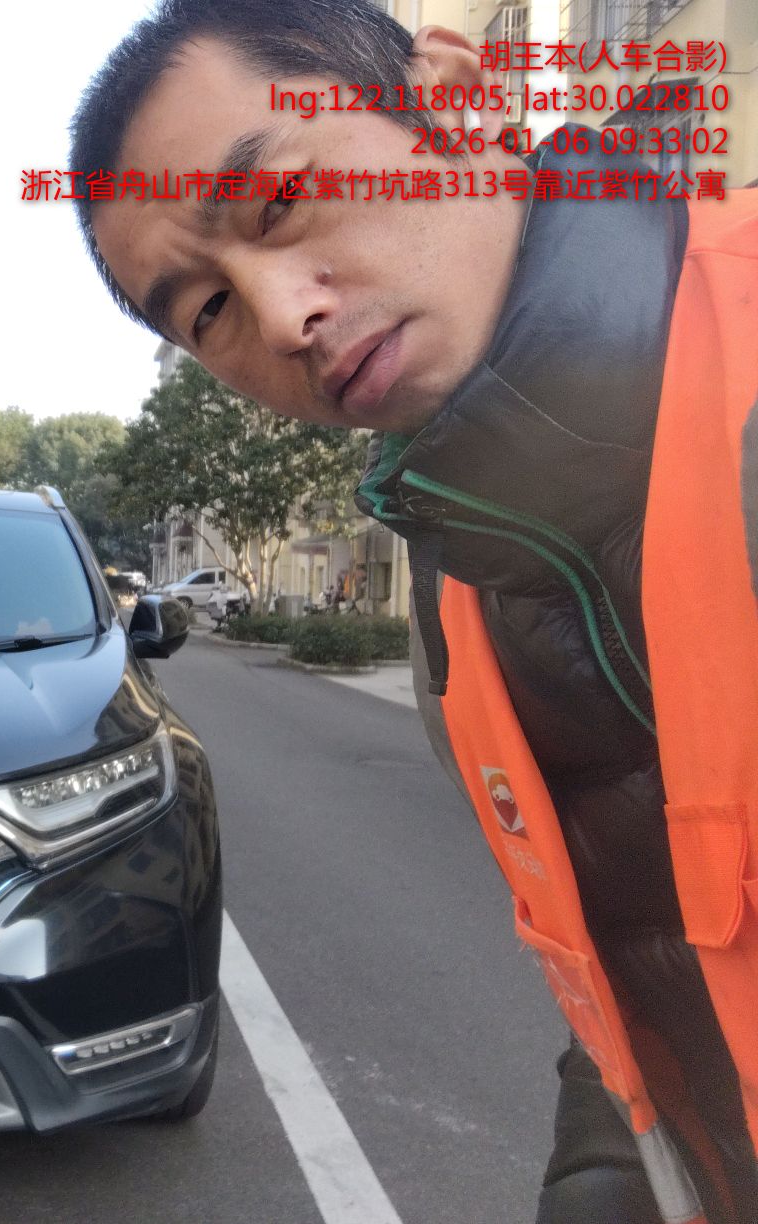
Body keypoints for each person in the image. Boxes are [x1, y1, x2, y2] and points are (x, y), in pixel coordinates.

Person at [69, 3, 758, 1222]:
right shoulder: (461, 598)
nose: (281, 317)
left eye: (279, 201)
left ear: (458, 95)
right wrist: (602, 1182)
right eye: (208, 313)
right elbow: (647, 975)